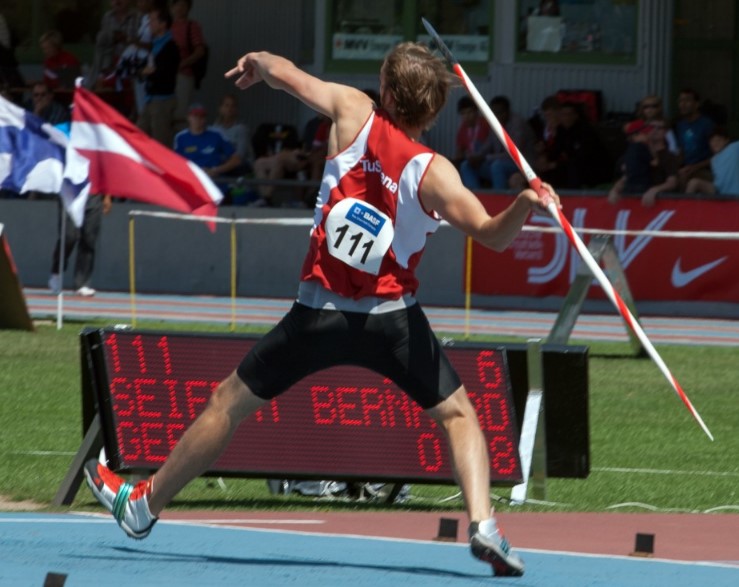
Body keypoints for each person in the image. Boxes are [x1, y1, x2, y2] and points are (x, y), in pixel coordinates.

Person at [83, 42, 561, 578]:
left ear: (385, 91)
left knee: (227, 404)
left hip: (318, 314)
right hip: (392, 321)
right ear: (431, 111)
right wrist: (524, 201)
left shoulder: (352, 111)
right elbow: (493, 237)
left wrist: (259, 61)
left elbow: (287, 76)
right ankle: (483, 527)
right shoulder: (437, 174)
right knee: (457, 415)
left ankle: (144, 507)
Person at [48, 195, 113, 297]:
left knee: (89, 238)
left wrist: (107, 196)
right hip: (71, 193)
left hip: (94, 196)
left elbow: (105, 178)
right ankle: (57, 272)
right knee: (69, 236)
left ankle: (82, 284)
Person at [608, 119, 679, 207]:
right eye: (651, 127)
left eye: (659, 128)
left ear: (665, 132)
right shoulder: (636, 151)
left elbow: (672, 182)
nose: (654, 130)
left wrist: (654, 190)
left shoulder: (669, 156)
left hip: (659, 203)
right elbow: (627, 176)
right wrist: (615, 190)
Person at [136, 4, 179, 147]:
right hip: (150, 99)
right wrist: (146, 70)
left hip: (162, 101)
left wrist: (149, 71)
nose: (150, 24)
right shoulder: (155, 44)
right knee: (139, 135)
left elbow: (163, 72)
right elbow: (147, 69)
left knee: (160, 143)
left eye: (153, 20)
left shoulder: (170, 47)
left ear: (163, 24)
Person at [174, 102, 241, 190]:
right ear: (188, 117)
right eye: (195, 115)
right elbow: (176, 164)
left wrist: (215, 170)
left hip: (215, 182)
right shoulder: (180, 137)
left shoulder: (217, 134)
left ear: (205, 118)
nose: (198, 119)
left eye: (201, 116)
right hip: (191, 182)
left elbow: (236, 160)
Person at [484, 95, 537, 190]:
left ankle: (498, 199)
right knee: (467, 165)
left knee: (497, 166)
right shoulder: (494, 122)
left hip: (523, 165)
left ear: (507, 111)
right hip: (498, 161)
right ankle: (474, 199)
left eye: (499, 112)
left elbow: (514, 153)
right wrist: (475, 156)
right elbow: (488, 145)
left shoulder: (518, 124)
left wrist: (487, 157)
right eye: (494, 113)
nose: (496, 116)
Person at [86, 0, 139, 90]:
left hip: (131, 63)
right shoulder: (107, 17)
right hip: (110, 63)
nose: (117, 1)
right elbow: (103, 45)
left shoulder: (137, 16)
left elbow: (141, 42)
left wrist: (125, 38)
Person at [170, 0, 206, 128]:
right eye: (177, 4)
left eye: (183, 5)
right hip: (165, 76)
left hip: (183, 74)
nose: (180, 8)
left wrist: (182, 64)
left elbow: (199, 51)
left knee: (180, 112)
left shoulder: (192, 26)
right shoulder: (167, 25)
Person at [674, 88, 715, 191]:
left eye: (687, 101)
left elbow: (717, 155)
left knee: (684, 177)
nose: (682, 104)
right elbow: (681, 151)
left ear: (697, 104)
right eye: (680, 101)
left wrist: (695, 167)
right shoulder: (680, 125)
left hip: (704, 169)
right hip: (686, 168)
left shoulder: (707, 124)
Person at [686, 129, 739, 197]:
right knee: (694, 182)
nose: (715, 143)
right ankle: (685, 206)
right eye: (712, 141)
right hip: (720, 192)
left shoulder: (734, 148)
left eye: (718, 140)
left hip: (736, 196)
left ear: (726, 140)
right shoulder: (714, 160)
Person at [209, 92, 254, 173]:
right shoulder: (213, 129)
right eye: (226, 105)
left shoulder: (242, 129)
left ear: (236, 109)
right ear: (220, 108)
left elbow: (240, 156)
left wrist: (216, 171)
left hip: (240, 166)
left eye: (233, 106)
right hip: (218, 163)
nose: (229, 109)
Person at [453, 95, 491, 189]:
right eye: (463, 114)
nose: (467, 116)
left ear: (476, 112)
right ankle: (475, 195)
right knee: (464, 166)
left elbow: (493, 147)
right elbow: (459, 152)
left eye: (470, 112)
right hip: (473, 163)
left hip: (488, 162)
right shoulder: (462, 129)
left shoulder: (486, 124)